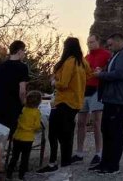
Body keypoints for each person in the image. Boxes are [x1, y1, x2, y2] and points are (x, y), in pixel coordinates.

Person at [38, 37, 88, 174]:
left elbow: (63, 83)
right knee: (68, 133)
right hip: (77, 102)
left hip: (64, 101)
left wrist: (54, 82)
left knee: (53, 133)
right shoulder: (82, 62)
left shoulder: (69, 62)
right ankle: (65, 160)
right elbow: (90, 76)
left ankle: (53, 162)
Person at [93, 33, 123, 175]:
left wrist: (101, 75)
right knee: (106, 130)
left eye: (111, 45)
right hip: (111, 99)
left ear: (119, 42)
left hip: (119, 100)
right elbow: (112, 71)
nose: (109, 48)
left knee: (115, 132)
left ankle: (113, 165)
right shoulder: (117, 54)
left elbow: (119, 74)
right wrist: (103, 71)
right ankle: (105, 162)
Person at [73, 34, 112, 165]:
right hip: (85, 91)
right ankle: (79, 153)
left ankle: (99, 153)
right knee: (80, 122)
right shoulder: (86, 58)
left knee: (97, 122)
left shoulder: (106, 55)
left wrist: (102, 71)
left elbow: (111, 70)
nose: (90, 44)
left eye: (92, 42)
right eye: (88, 42)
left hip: (98, 90)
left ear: (98, 42)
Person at [0, 40, 29, 134]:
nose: (24, 54)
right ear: (19, 51)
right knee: (7, 136)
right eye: (24, 51)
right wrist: (24, 103)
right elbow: (22, 91)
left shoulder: (0, 66)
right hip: (13, 108)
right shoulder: (23, 67)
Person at [7, 90, 42, 180]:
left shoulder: (22, 109)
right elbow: (37, 126)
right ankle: (21, 175)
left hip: (17, 136)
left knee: (14, 156)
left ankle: (9, 173)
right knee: (25, 158)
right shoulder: (36, 112)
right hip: (28, 138)